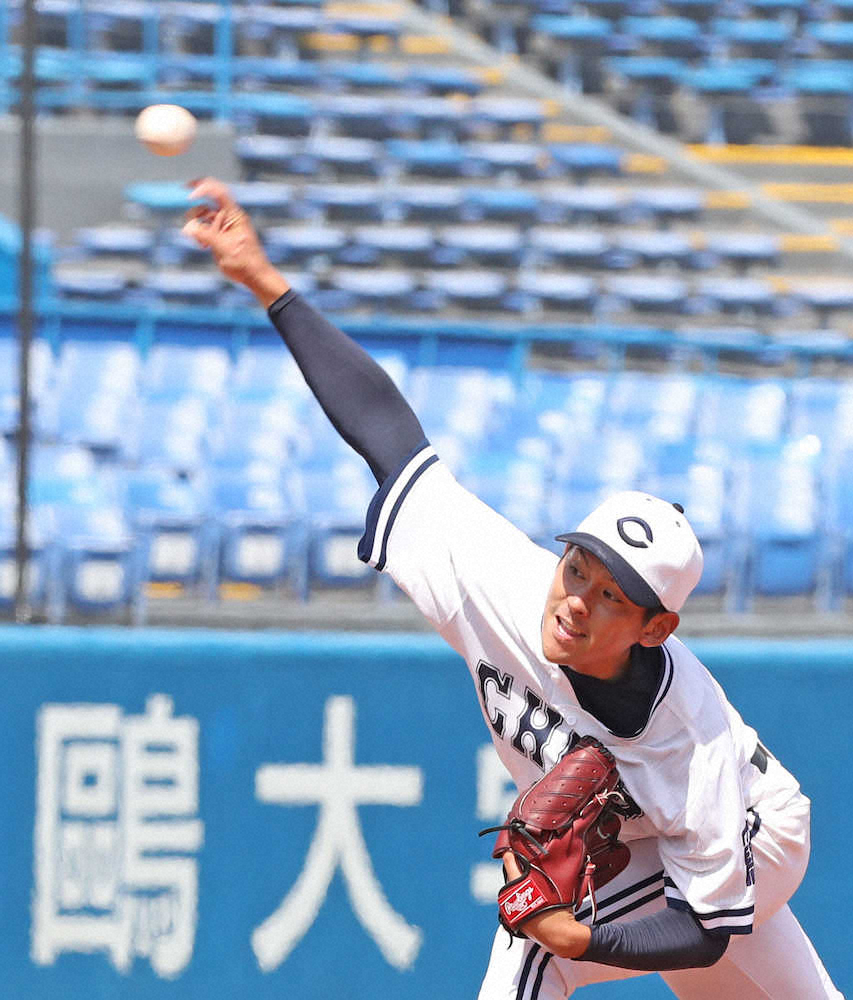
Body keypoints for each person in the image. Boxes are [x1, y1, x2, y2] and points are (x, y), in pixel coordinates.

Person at [183, 179, 844, 999]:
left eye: (611, 597)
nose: (576, 599)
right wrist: (265, 282)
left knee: (535, 950)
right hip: (656, 842)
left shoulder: (688, 735)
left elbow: (703, 931)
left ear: (654, 626)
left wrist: (579, 933)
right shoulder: (499, 580)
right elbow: (389, 435)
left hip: (749, 831)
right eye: (578, 569)